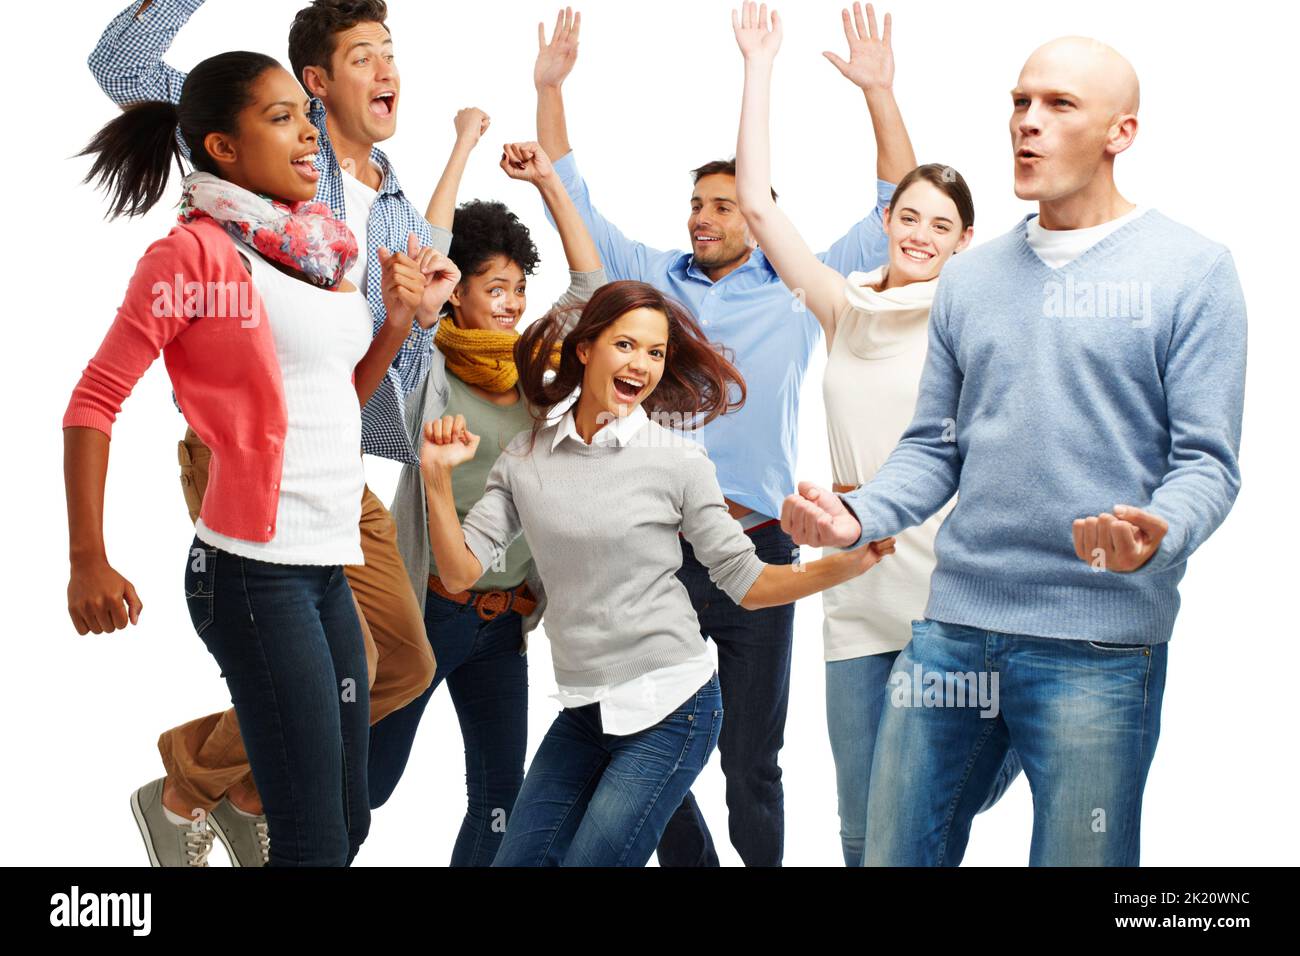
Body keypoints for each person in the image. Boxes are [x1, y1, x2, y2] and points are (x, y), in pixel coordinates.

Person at [781, 35, 1247, 866]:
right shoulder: (972, 279)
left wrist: (1160, 529)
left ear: (1121, 132)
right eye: (1019, 102)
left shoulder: (1192, 271)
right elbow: (935, 447)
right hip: (954, 629)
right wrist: (855, 516)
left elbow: (1207, 462)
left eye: (1059, 105)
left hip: (1098, 643)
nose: (1026, 124)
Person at [531, 3, 912, 867]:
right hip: (654, 550)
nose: (703, 218)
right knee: (642, 741)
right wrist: (549, 89)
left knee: (751, 761)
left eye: (723, 204)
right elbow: (570, 193)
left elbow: (896, 206)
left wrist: (878, 95)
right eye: (695, 205)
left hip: (755, 543)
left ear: (760, 212)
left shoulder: (798, 284)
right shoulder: (649, 279)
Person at [63, 52, 454, 866]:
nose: (309, 132)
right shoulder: (196, 258)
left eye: (303, 115)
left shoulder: (322, 251)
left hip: (325, 562)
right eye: (281, 117)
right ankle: (183, 793)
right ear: (223, 149)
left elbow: (333, 403)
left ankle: (228, 806)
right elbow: (94, 401)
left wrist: (397, 322)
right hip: (253, 574)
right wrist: (88, 560)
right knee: (314, 840)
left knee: (347, 825)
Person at [418, 278, 897, 866]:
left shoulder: (677, 458)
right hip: (584, 712)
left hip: (674, 708)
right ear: (585, 348)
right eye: (625, 345)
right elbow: (460, 571)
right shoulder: (526, 457)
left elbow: (749, 583)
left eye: (655, 352)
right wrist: (437, 479)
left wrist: (848, 565)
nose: (641, 365)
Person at [731, 0, 1021, 867]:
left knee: (924, 822)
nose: (921, 234)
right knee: (865, 832)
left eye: (942, 225)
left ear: (966, 242)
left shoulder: (975, 310)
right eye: (910, 217)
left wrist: (882, 97)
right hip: (860, 591)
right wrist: (760, 66)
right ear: (889, 221)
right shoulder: (844, 306)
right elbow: (755, 205)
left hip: (958, 595)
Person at [370, 129, 608, 866]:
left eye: (517, 290)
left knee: (500, 800)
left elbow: (592, 292)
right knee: (368, 785)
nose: (510, 306)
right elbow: (426, 252)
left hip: (504, 622)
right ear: (458, 290)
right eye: (493, 290)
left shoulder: (539, 369)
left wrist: (548, 183)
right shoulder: (427, 369)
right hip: (430, 609)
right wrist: (462, 145)